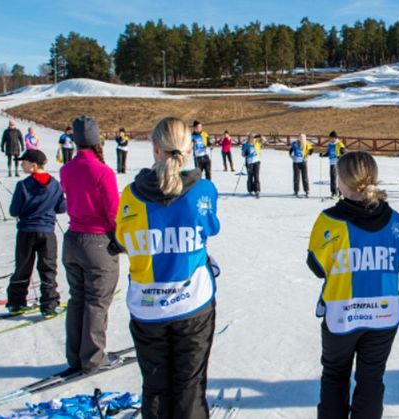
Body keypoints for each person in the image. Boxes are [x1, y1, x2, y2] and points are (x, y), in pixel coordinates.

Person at [115, 116, 220, 419]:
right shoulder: (202, 190)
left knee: (156, 387)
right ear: (189, 149)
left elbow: (122, 238)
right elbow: (210, 227)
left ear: (155, 148)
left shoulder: (131, 194)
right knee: (189, 388)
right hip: (193, 304)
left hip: (148, 307)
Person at [307, 150, 399, 419]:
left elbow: (317, 266)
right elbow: (398, 261)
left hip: (343, 313)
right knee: (371, 380)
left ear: (341, 181)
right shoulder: (394, 219)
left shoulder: (329, 220)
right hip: (383, 312)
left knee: (334, 376)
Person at [59, 115, 120, 374]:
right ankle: (93, 358)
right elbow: (112, 210)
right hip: (97, 241)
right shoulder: (102, 171)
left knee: (78, 299)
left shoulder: (66, 169)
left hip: (73, 238)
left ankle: (76, 356)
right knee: (96, 301)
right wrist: (119, 237)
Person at [7, 149, 66, 316]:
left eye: (23, 162)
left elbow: (14, 210)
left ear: (33, 166)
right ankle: (49, 305)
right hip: (46, 232)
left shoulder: (23, 185)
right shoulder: (55, 184)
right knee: (48, 268)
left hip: (27, 231)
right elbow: (62, 207)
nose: (21, 165)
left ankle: (16, 302)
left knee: (23, 266)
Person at [320, 131, 345, 199]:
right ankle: (333, 193)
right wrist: (323, 155)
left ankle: (341, 193)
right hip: (332, 163)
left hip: (338, 163)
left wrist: (340, 155)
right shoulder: (330, 144)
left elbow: (343, 152)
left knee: (340, 179)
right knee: (333, 178)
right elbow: (328, 153)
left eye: (330, 138)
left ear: (334, 138)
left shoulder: (339, 144)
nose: (329, 139)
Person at [242, 133, 261, 198]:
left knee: (256, 176)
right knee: (250, 176)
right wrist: (245, 153)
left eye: (253, 138)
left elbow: (263, 140)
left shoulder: (256, 143)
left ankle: (257, 190)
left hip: (257, 161)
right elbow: (243, 154)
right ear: (248, 138)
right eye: (251, 138)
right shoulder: (246, 145)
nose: (252, 139)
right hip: (249, 162)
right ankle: (250, 189)